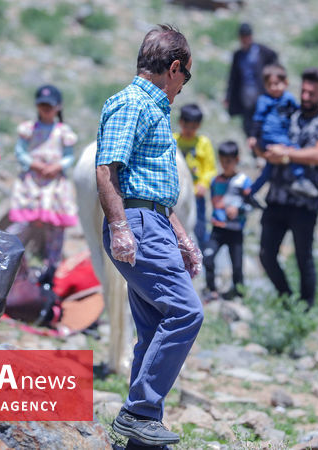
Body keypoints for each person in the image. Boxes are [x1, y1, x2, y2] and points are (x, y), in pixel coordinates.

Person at [95, 24, 204, 448]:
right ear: (174, 68)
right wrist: (121, 228)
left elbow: (152, 187)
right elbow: (107, 169)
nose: (184, 87)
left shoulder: (154, 109)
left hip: (155, 223)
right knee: (186, 313)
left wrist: (182, 236)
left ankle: (142, 427)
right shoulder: (131, 104)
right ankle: (138, 412)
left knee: (157, 324)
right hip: (139, 226)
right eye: (186, 77)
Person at [258, 67, 318, 308]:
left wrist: (286, 154)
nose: (305, 97)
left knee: (303, 258)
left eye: (311, 93)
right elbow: (269, 139)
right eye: (303, 91)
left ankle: (305, 308)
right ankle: (287, 301)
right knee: (266, 255)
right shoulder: (289, 114)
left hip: (304, 203)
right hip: (276, 198)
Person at [6, 84, 78, 278]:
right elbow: (20, 151)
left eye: (50, 105)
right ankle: (16, 264)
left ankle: (51, 269)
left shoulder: (63, 132)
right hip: (32, 184)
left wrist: (59, 166)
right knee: (22, 224)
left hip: (54, 185)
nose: (46, 108)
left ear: (58, 107)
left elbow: (69, 156)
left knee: (56, 229)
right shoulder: (29, 129)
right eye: (42, 104)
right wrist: (33, 163)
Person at [249, 64, 318, 198]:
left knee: (268, 169)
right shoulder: (264, 100)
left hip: (280, 135)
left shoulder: (288, 98)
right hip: (271, 135)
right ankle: (300, 179)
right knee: (294, 149)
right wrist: (253, 136)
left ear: (285, 83)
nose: (274, 88)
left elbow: (298, 110)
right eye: (270, 85)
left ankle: (250, 192)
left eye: (277, 84)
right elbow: (257, 119)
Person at [203, 141, 252, 302]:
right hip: (218, 229)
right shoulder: (215, 181)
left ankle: (239, 293)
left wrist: (239, 209)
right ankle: (212, 289)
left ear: (237, 160)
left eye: (229, 161)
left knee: (237, 265)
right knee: (208, 257)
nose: (225, 164)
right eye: (222, 161)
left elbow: (252, 204)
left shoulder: (243, 181)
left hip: (235, 230)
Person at [224, 23, 278, 140]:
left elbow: (274, 62)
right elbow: (233, 77)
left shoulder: (263, 51)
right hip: (245, 96)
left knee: (263, 123)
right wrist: (228, 96)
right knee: (248, 125)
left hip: (261, 93)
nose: (245, 39)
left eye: (247, 36)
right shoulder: (238, 55)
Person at [173, 103, 217, 245]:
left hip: (196, 194)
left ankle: (201, 254)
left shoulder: (203, 143)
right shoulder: (173, 140)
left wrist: (204, 184)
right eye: (187, 126)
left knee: (198, 226)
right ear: (181, 123)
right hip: (176, 194)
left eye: (194, 127)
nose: (190, 131)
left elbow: (210, 168)